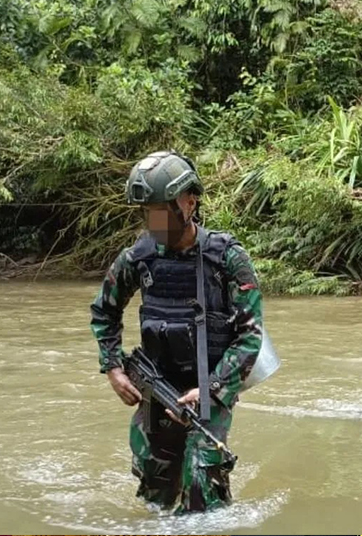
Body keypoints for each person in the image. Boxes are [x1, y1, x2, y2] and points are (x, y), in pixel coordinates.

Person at [89, 150, 263, 513]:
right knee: (155, 490)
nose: (154, 222)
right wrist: (113, 368)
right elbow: (105, 310)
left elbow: (250, 336)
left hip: (211, 387)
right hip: (156, 386)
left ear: (189, 201)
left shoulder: (228, 258)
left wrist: (213, 389)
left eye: (161, 210)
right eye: (146, 212)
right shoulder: (138, 258)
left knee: (202, 488)